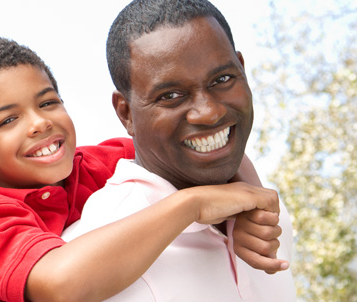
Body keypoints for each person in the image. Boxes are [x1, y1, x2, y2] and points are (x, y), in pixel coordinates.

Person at [0, 36, 288, 302]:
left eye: (48, 103)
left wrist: (247, 210)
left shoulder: (100, 162)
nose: (39, 123)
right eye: (8, 120)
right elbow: (60, 285)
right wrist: (192, 205)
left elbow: (204, 147)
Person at [61, 0, 296, 300]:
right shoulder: (91, 252)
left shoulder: (271, 223)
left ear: (242, 69)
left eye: (222, 79)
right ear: (126, 114)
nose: (208, 112)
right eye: (170, 96)